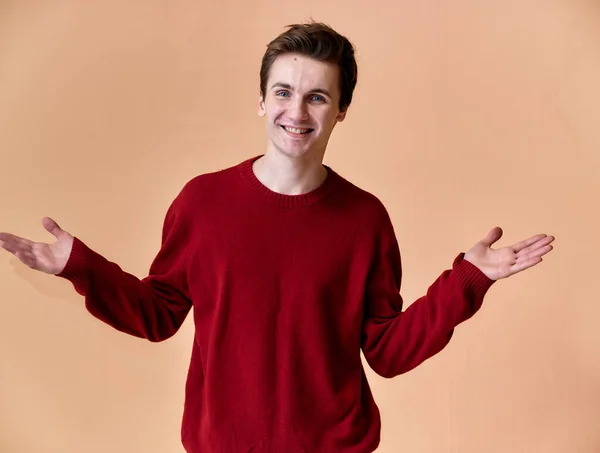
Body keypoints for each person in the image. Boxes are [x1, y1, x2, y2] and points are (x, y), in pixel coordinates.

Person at [0, 21, 554, 453]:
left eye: (317, 96)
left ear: (341, 110)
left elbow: (386, 350)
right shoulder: (202, 202)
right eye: (283, 92)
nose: (297, 110)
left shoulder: (365, 220)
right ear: (261, 101)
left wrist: (468, 281)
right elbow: (159, 313)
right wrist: (79, 264)